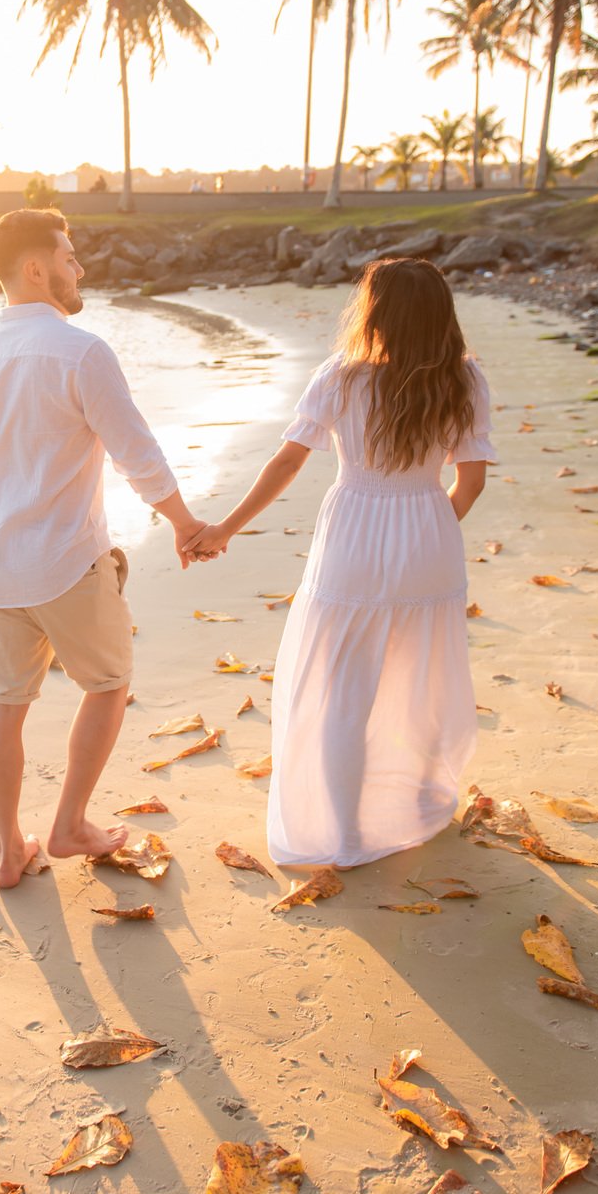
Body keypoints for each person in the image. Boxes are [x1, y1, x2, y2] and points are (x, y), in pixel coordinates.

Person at [186, 258, 493, 869]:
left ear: (376, 313)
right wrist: (425, 532)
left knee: (341, 692)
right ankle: (411, 806)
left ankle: (346, 831)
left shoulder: (342, 378)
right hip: (429, 540)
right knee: (420, 682)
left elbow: (287, 464)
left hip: (352, 537)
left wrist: (223, 528)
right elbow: (472, 480)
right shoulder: (465, 378)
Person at [0, 207, 212, 887]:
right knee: (109, 683)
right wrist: (183, 522)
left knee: (4, 705)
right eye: (68, 257)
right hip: (65, 559)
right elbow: (136, 454)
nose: (79, 268)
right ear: (35, 268)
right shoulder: (81, 351)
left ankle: (9, 851)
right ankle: (68, 825)